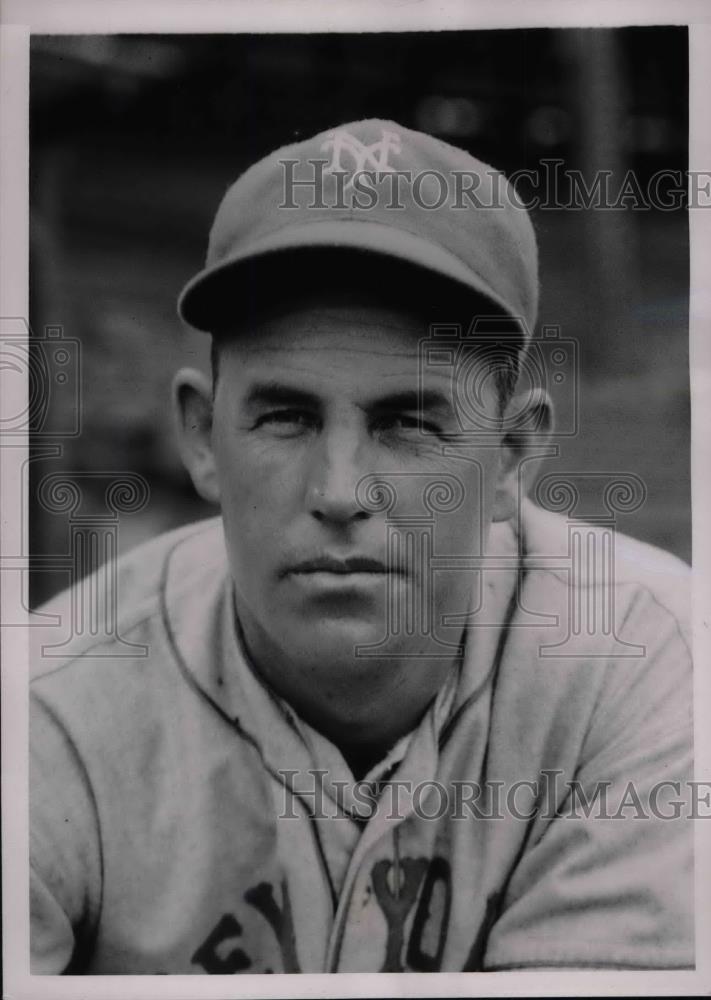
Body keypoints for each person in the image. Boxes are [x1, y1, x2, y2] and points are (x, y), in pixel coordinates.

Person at [30, 119, 693, 974]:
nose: (339, 491)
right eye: (286, 417)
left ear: (509, 457)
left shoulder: (645, 663)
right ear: (200, 438)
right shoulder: (52, 705)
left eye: (407, 424)